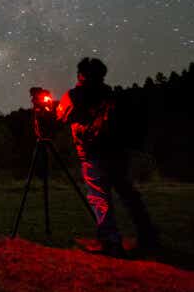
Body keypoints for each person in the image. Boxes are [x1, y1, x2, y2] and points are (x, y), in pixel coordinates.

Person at [56, 58, 158, 258]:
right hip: (117, 153)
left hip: (93, 154)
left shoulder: (74, 96)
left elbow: (61, 116)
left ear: (81, 75)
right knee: (128, 194)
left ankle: (111, 242)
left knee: (99, 198)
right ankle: (148, 235)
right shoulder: (110, 94)